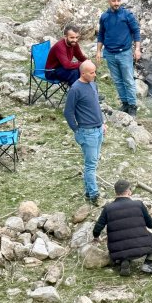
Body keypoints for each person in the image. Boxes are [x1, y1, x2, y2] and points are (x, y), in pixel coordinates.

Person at [92, 179, 152, 276]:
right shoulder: (138, 204)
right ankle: (148, 264)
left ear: (115, 192)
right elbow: (151, 225)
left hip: (117, 251)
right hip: (140, 248)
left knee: (124, 245)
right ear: (128, 191)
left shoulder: (108, 208)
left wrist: (96, 237)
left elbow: (98, 228)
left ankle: (124, 260)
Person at [64, 60, 106, 205]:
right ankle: (94, 195)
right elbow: (68, 112)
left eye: (95, 72)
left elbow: (96, 106)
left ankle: (88, 192)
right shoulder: (75, 89)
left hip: (98, 129)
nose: (95, 75)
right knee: (91, 165)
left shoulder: (93, 84)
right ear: (83, 73)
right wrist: (76, 130)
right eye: (92, 73)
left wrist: (102, 123)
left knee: (93, 162)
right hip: (87, 132)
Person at [96, 0, 142, 117]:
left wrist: (137, 49)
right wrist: (98, 51)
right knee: (117, 80)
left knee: (128, 80)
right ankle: (125, 103)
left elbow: (136, 31)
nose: (116, 3)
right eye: (114, 1)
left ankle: (132, 106)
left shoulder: (127, 15)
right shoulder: (104, 17)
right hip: (109, 53)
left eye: (118, 1)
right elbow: (101, 35)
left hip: (124, 53)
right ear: (109, 1)